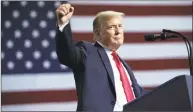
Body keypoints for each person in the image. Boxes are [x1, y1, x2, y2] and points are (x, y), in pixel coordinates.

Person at [55, 3, 149, 112]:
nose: (118, 31)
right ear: (97, 34)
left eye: (120, 26)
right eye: (111, 27)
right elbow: (67, 54)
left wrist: (168, 93)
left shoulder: (122, 64)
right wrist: (63, 24)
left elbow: (138, 92)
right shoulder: (88, 52)